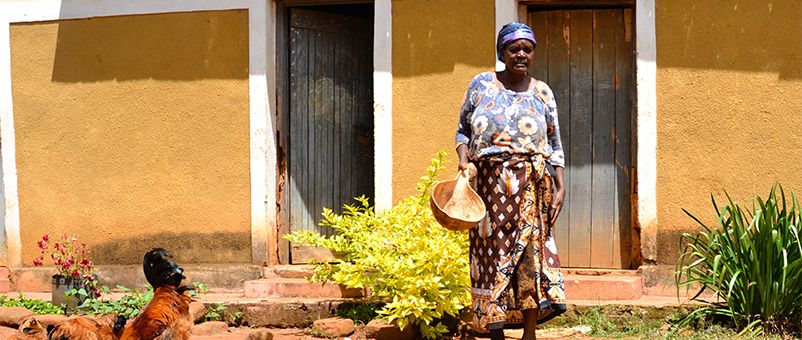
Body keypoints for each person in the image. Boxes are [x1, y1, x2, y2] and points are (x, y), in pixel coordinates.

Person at [455, 21, 567, 340]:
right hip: (488, 186)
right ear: (501, 52)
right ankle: (496, 333)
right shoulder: (480, 85)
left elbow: (554, 142)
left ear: (533, 54)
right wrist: (464, 161)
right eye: (513, 48)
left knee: (529, 256)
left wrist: (561, 185)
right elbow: (462, 130)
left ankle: (529, 334)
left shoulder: (542, 92)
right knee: (491, 254)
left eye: (527, 49)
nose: (520, 54)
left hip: (532, 184)